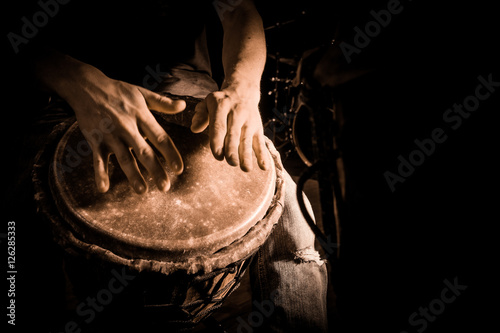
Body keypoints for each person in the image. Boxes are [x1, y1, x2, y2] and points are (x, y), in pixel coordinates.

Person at [8, 0, 328, 331]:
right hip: (72, 95)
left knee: (290, 208)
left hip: (184, 92)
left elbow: (238, 9)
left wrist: (242, 88)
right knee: (14, 221)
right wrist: (77, 80)